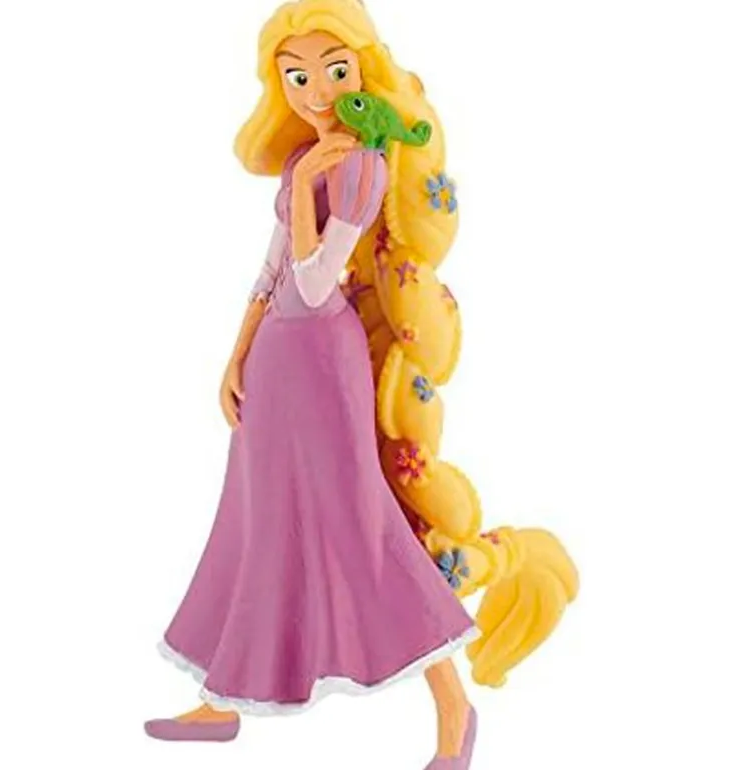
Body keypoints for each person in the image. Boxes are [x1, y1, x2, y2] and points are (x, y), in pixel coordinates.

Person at [145, 2, 578, 768]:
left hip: (323, 364)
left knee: (360, 528)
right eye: (296, 76)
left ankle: (454, 709)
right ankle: (223, 696)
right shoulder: (303, 161)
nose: (315, 91)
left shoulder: (360, 168)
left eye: (333, 71)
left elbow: (316, 283)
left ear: (361, 74)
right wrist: (235, 353)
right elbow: (273, 269)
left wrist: (307, 192)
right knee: (254, 517)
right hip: (276, 359)